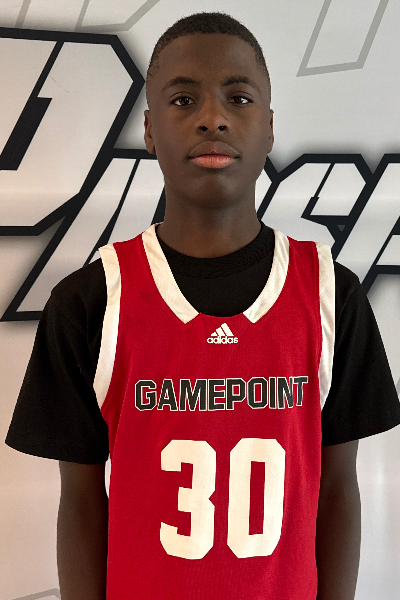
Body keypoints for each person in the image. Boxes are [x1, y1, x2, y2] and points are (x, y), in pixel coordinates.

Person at [5, 11, 400, 600]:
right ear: (148, 130)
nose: (212, 118)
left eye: (238, 98)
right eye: (183, 99)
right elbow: (82, 502)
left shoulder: (331, 296)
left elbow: (339, 489)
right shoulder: (90, 301)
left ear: (269, 128)